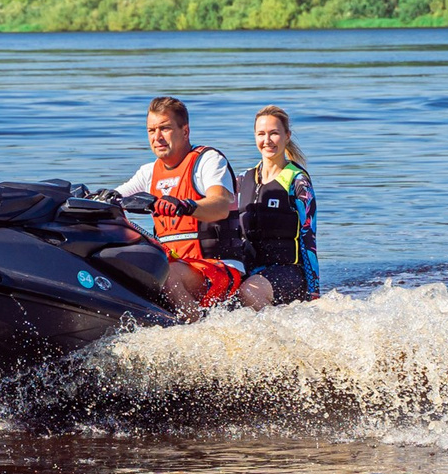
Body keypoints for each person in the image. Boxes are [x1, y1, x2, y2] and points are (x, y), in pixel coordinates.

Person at [115, 95, 244, 313]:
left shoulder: (208, 160)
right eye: (151, 130)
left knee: (166, 274)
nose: (157, 137)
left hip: (219, 267)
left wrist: (186, 206)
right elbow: (115, 198)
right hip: (178, 266)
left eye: (164, 128)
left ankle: (193, 332)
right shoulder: (148, 172)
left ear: (185, 131)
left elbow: (220, 205)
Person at [235, 105, 319, 309]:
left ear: (287, 136)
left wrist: (314, 291)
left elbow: (309, 238)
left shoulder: (298, 182)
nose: (267, 140)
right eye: (261, 134)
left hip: (289, 273)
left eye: (274, 133)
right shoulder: (242, 179)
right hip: (250, 270)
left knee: (248, 292)